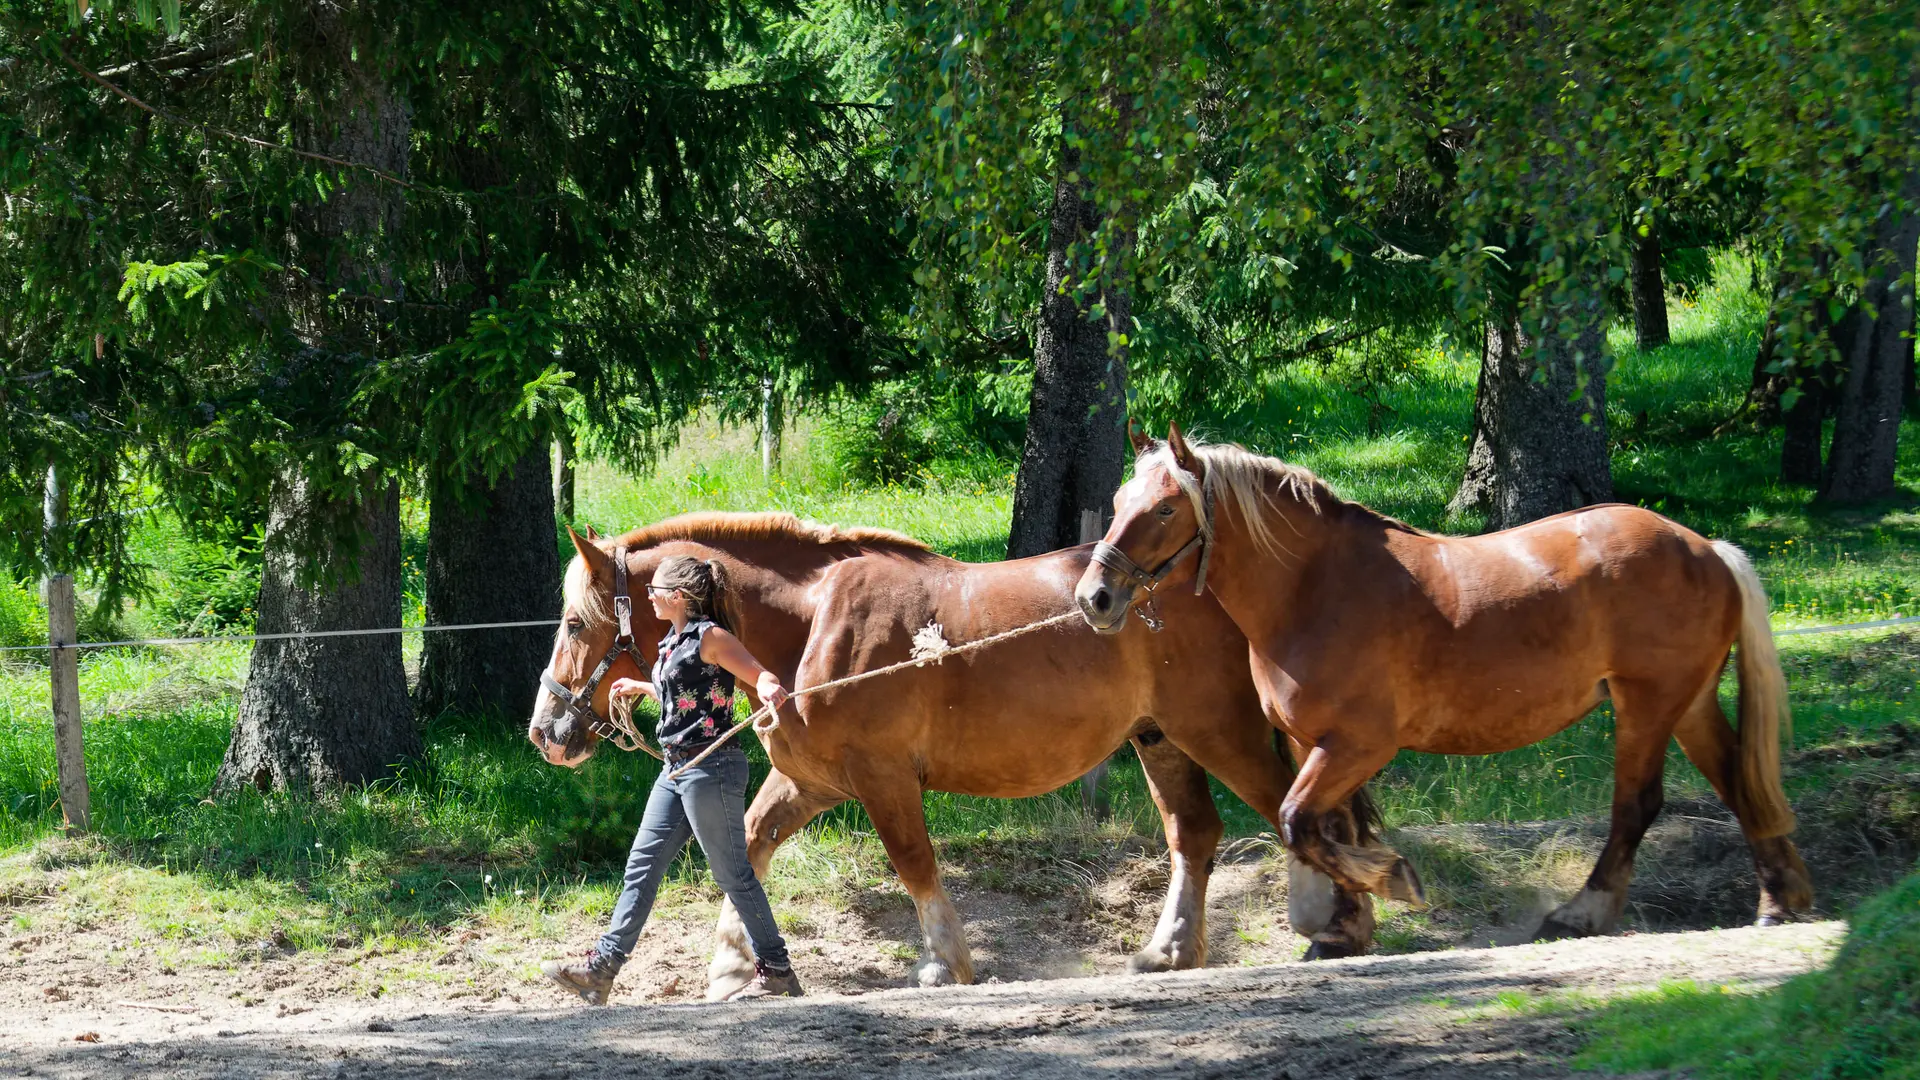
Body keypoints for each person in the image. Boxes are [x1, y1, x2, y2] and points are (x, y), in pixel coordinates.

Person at [541, 555, 799, 1004]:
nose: (649, 597)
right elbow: (685, 690)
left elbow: (758, 674)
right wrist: (643, 688)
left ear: (677, 596)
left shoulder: (712, 637)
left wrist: (766, 686)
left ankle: (776, 970)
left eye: (655, 590)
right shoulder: (671, 640)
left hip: (711, 767)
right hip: (675, 769)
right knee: (642, 866)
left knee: (732, 874)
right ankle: (601, 971)